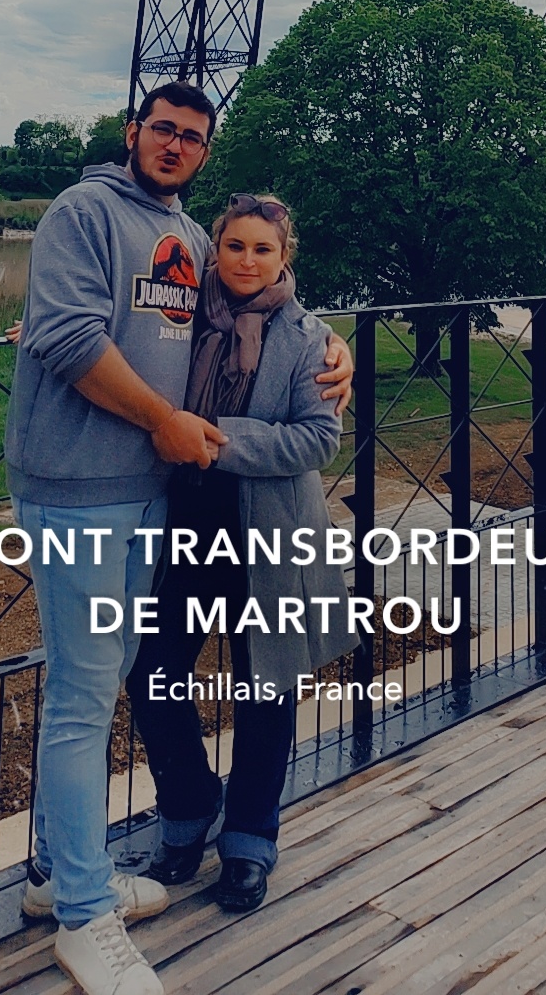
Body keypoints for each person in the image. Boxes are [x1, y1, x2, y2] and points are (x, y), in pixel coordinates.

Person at [3, 86, 352, 995]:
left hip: (237, 522)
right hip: (132, 501)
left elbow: (311, 420)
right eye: (162, 128)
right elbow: (85, 328)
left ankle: (221, 845)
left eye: (192, 136)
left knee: (252, 682)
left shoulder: (238, 281)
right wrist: (48, 333)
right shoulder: (94, 214)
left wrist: (333, 353)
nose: (174, 144)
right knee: (117, 685)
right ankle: (121, 866)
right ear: (134, 132)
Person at [127, 193, 356, 916]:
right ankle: (189, 805)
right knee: (151, 671)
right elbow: (115, 342)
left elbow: (319, 439)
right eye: (234, 246)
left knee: (266, 691)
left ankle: (251, 839)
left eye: (263, 249)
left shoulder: (311, 340)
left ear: (284, 257)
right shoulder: (180, 317)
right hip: (185, 530)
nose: (247, 261)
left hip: (270, 537)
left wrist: (213, 437)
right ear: (214, 249)